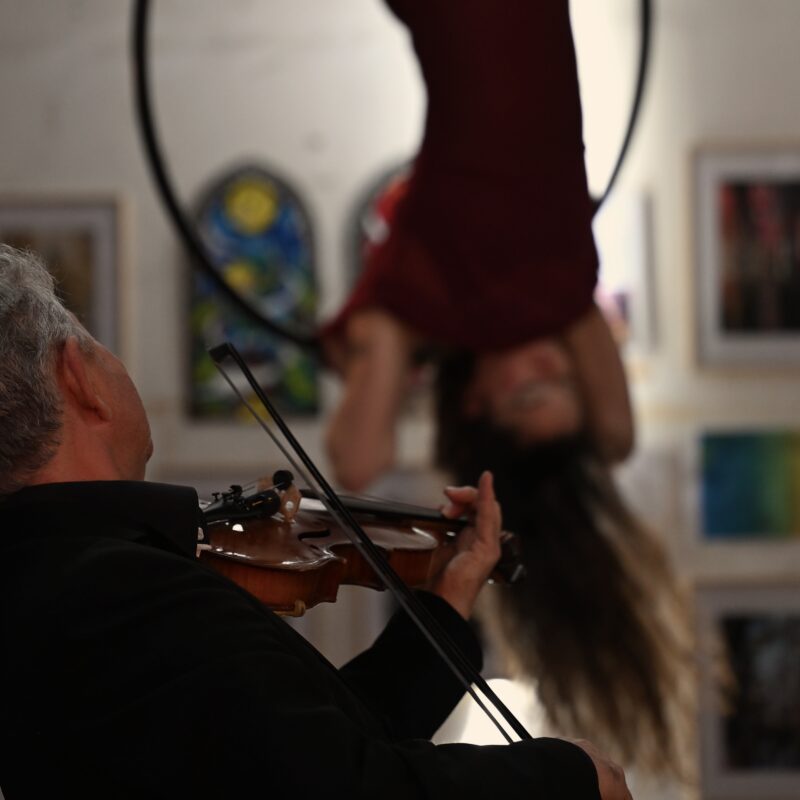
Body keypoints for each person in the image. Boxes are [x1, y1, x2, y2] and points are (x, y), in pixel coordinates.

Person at [0, 244, 634, 798]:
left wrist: (448, 598)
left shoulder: (60, 582)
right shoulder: (120, 593)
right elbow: (353, 789)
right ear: (76, 375)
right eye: (94, 340)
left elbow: (322, 748)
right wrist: (567, 776)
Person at [322, 0, 693, 778]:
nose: (542, 365)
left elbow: (355, 465)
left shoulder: (413, 302)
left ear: (475, 402)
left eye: (527, 394)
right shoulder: (562, 282)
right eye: (558, 379)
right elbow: (618, 436)